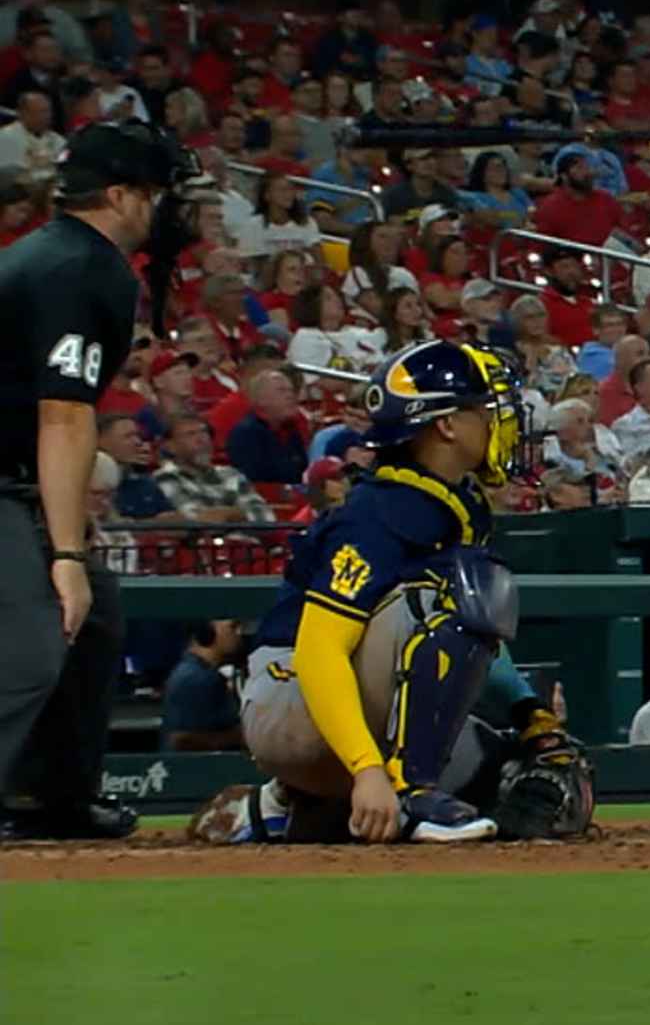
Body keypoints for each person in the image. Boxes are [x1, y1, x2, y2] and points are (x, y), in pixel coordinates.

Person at [189, 341, 567, 845]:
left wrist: (527, 712)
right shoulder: (380, 512)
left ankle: (284, 808)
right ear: (447, 425)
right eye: (483, 409)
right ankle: (410, 791)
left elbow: (476, 641)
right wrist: (369, 769)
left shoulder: (456, 503)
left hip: (346, 708)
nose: (500, 423)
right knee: (442, 604)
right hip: (290, 694)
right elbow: (320, 647)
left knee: (521, 776)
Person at [0, 121, 205, 840]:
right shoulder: (84, 267)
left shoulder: (60, 254)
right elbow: (63, 414)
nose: (168, 210)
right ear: (119, 195)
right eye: (155, 194)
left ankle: (48, 799)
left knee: (96, 624)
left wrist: (64, 527)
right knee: (32, 642)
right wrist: (62, 555)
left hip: (15, 474)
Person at [161, 619, 246, 751]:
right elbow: (181, 741)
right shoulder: (194, 678)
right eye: (233, 627)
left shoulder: (205, 675)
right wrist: (242, 736)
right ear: (206, 632)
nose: (239, 633)